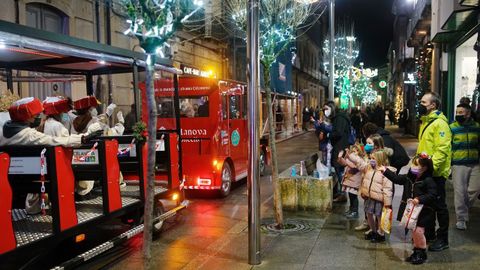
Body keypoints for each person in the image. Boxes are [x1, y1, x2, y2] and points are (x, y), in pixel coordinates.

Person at [0, 97, 101, 213]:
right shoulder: (28, 134)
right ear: (25, 118)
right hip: (39, 177)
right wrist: (83, 138)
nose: (38, 117)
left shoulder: (4, 131)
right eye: (35, 115)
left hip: (11, 178)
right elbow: (54, 140)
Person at [379, 153, 437, 265]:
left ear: (424, 168)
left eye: (416, 165)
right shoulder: (409, 178)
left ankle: (422, 252)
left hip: (423, 212)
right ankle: (416, 251)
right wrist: (385, 171)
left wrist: (420, 199)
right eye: (413, 164)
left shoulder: (428, 180)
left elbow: (432, 194)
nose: (413, 167)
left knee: (419, 231)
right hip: (412, 211)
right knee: (413, 231)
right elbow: (397, 178)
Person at [417, 92, 452, 251]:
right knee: (428, 204)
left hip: (435, 173)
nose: (421, 104)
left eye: (424, 102)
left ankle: (443, 238)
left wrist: (431, 168)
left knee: (439, 206)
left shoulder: (440, 124)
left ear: (433, 105)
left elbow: (442, 149)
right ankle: (430, 233)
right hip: (426, 171)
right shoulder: (426, 121)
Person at [449, 103, 480, 230]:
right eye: (457, 112)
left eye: (461, 112)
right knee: (460, 192)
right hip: (458, 164)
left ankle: (464, 209)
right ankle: (461, 218)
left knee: (475, 189)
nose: (458, 115)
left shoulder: (477, 127)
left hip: (475, 163)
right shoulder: (452, 128)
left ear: (468, 113)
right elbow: (448, 146)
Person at [356, 149, 395, 243]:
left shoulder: (385, 172)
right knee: (369, 214)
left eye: (373, 158)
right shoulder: (369, 168)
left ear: (380, 159)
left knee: (379, 216)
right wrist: (363, 192)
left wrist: (387, 203)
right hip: (369, 197)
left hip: (378, 199)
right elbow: (365, 181)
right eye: (370, 158)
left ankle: (380, 233)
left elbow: (388, 188)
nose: (371, 160)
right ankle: (373, 231)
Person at [328, 101, 351, 202]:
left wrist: (329, 134)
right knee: (338, 171)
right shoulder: (339, 117)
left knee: (340, 171)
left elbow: (338, 132)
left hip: (340, 148)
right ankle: (341, 193)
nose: (325, 112)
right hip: (340, 147)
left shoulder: (339, 118)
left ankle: (343, 194)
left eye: (326, 109)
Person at [337, 143, 366, 219]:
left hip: (354, 182)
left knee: (354, 197)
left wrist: (349, 157)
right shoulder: (351, 158)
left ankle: (355, 211)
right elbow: (345, 163)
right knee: (351, 196)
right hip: (349, 181)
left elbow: (352, 166)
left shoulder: (359, 160)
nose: (353, 153)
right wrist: (340, 158)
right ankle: (351, 209)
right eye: (352, 151)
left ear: (360, 152)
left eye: (356, 151)